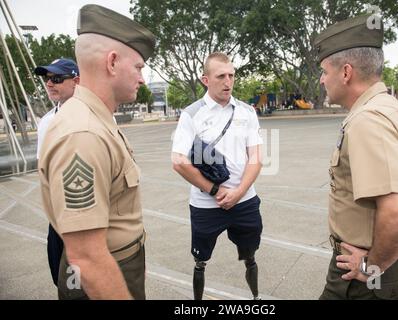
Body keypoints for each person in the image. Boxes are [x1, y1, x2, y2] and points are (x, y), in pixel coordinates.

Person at [38, 4, 155, 300]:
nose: (142, 78)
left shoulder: (96, 119)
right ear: (112, 62)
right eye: (139, 67)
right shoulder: (83, 134)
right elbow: (88, 259)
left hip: (117, 264)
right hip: (102, 276)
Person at [314, 14, 398, 300]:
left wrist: (371, 266)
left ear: (346, 72)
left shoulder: (368, 120)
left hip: (365, 276)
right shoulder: (389, 106)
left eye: (324, 71)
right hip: (393, 259)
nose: (322, 79)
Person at [171, 52, 264, 300]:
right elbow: (178, 161)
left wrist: (238, 192)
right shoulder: (191, 114)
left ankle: (255, 298)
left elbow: (256, 159)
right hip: (205, 205)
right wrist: (215, 190)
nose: (228, 81)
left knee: (250, 256)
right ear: (205, 79)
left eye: (231, 75)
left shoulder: (246, 112)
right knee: (200, 261)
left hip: (244, 201)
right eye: (221, 76)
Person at [34, 58, 80, 287]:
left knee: (89, 281)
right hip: (59, 217)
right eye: (47, 78)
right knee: (60, 277)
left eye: (57, 78)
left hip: (88, 214)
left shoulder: (97, 116)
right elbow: (43, 168)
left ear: (77, 81)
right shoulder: (46, 122)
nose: (49, 83)